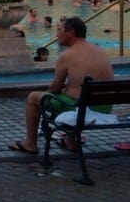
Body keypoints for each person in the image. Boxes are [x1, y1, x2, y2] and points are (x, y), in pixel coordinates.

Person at [9, 17, 114, 155]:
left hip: (82, 109)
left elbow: (55, 89)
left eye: (60, 31)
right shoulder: (100, 50)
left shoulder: (67, 55)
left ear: (70, 32)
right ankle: (70, 140)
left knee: (33, 98)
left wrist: (51, 92)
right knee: (74, 95)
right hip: (105, 108)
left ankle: (30, 143)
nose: (57, 35)